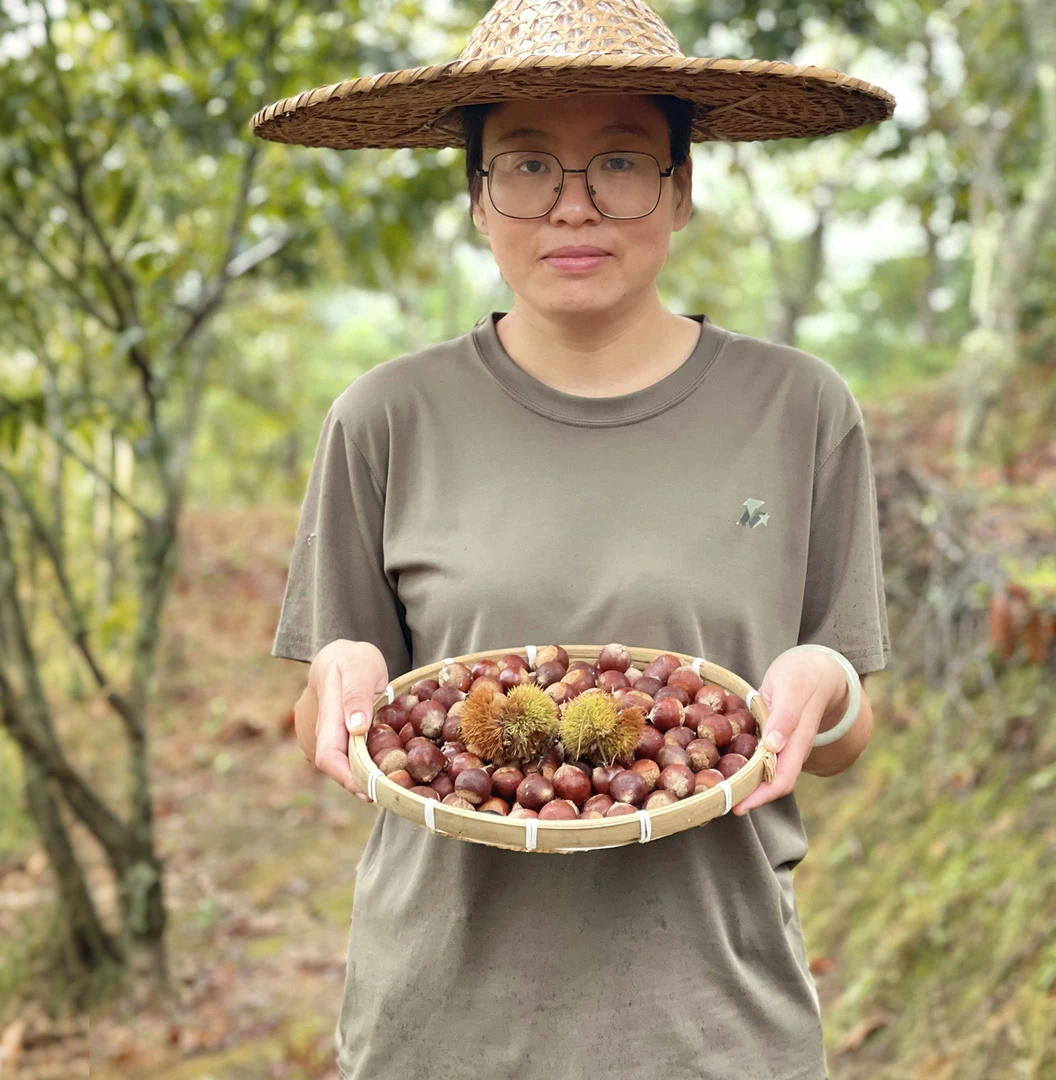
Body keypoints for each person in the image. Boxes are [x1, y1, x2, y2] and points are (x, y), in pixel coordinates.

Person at [252, 2, 894, 1078]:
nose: (575, 205)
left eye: (623, 162)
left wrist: (824, 680)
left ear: (683, 190)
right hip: (444, 1021)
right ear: (476, 199)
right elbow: (340, 708)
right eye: (527, 166)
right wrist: (340, 676)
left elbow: (841, 735)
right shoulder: (385, 417)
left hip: (716, 1023)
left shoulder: (799, 408)